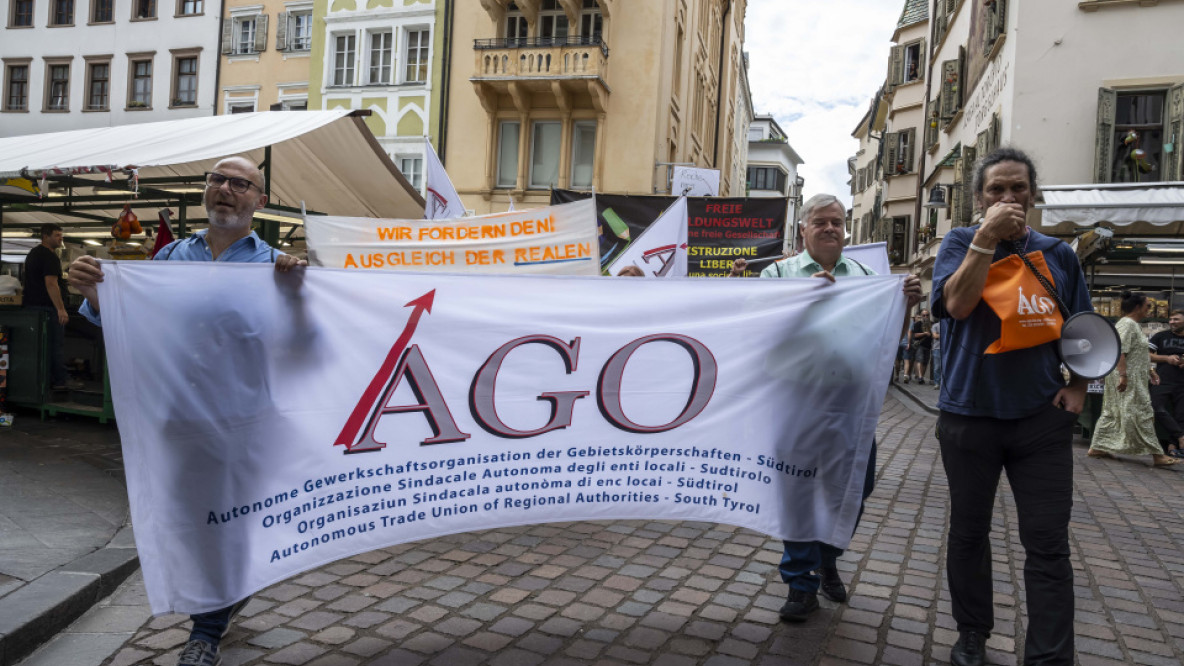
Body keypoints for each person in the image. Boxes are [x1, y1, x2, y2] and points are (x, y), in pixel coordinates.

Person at [68, 156, 305, 666]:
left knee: (229, 522)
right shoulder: (171, 255)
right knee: (191, 522)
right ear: (205, 190)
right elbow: (135, 322)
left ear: (258, 201)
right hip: (176, 419)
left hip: (243, 422)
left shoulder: (274, 265)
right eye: (217, 179)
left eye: (240, 184)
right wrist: (93, 292)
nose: (226, 189)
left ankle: (206, 631)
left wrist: (300, 296)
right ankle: (229, 593)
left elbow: (307, 344)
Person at [932, 147, 1091, 666]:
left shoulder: (1059, 254)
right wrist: (985, 239)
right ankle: (972, 634)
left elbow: (1083, 329)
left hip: (1039, 420)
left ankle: (1049, 657)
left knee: (1047, 543)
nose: (1007, 198)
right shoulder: (959, 243)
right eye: (995, 189)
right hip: (968, 416)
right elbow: (956, 305)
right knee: (969, 531)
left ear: (1032, 194)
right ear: (978, 198)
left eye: (1017, 188)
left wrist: (1079, 389)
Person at [760, 193, 922, 621]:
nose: (830, 228)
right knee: (796, 490)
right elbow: (760, 333)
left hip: (851, 402)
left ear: (845, 228)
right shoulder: (777, 273)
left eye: (836, 221)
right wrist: (805, 302)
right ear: (804, 228)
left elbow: (889, 335)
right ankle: (800, 582)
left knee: (855, 486)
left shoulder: (868, 275)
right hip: (793, 399)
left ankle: (827, 556)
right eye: (820, 222)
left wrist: (905, 304)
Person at [1087, 293, 1182, 467]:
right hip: (1127, 377)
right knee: (1143, 412)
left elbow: (1137, 354)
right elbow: (1120, 350)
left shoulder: (1132, 325)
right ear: (1137, 307)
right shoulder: (1128, 325)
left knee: (1113, 411)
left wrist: (1150, 370)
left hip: (1132, 376)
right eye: (1147, 306)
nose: (1149, 309)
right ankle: (1157, 455)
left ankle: (1097, 447)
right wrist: (1123, 376)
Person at [23, 223, 76, 390]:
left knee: (40, 347)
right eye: (57, 235)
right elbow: (51, 284)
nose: (61, 238)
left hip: (32, 308)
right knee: (55, 345)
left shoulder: (33, 253)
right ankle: (61, 380)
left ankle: (42, 381)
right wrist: (61, 309)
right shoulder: (49, 257)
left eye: (61, 235)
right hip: (47, 308)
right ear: (45, 236)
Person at [1148, 310, 1184, 457]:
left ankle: (1172, 446)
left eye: (1176, 319)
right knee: (1155, 406)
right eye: (1170, 319)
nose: (1172, 322)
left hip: (1182, 382)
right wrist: (1167, 358)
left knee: (1182, 415)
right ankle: (1181, 438)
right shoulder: (1161, 336)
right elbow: (1147, 355)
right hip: (1162, 379)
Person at [910, 310, 933, 384]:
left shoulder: (931, 324)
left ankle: (921, 376)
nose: (925, 317)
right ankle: (920, 377)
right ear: (921, 316)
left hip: (928, 346)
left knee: (925, 362)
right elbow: (915, 335)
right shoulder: (917, 324)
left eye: (927, 315)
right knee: (920, 360)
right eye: (924, 315)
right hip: (920, 345)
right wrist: (924, 334)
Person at [931, 316, 941, 389]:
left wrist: (939, 335)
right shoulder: (935, 326)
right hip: (937, 348)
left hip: (946, 349)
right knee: (937, 367)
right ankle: (937, 383)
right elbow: (935, 336)